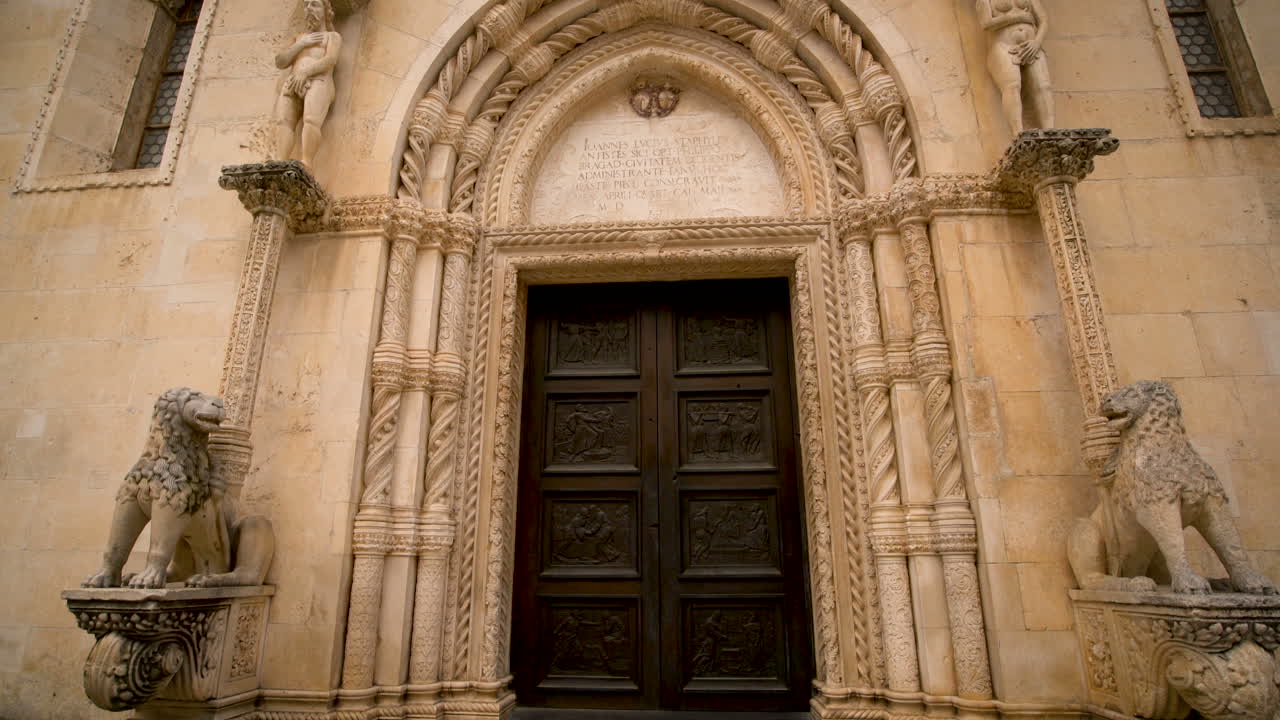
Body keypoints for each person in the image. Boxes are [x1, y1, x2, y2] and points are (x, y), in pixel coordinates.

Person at [273, 0, 341, 168]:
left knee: (311, 119)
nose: (309, 8)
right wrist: (301, 44)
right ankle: (280, 160)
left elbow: (330, 60)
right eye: (306, 5)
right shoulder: (299, 38)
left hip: (319, 80)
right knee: (283, 120)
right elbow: (280, 61)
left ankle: (307, 161)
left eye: (315, 4)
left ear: (326, 11)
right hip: (293, 81)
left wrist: (305, 72)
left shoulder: (332, 37)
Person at [975, 0, 1055, 134]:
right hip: (1003, 46)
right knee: (1012, 85)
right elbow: (986, 24)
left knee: (1043, 86)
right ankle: (1018, 133)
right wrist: (1018, 17)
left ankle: (1050, 131)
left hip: (1032, 46)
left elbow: (1043, 20)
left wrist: (1036, 42)